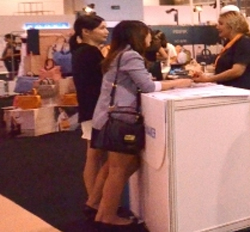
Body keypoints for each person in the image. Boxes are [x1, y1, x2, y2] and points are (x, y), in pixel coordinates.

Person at [91, 21, 192, 228]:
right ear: (137, 35)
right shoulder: (130, 56)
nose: (150, 38)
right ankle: (107, 216)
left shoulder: (118, 54)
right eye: (147, 34)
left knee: (117, 167)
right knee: (118, 170)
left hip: (109, 116)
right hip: (120, 119)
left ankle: (101, 211)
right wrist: (179, 83)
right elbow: (147, 86)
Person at [69, 13, 109, 220]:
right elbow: (98, 84)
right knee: (95, 156)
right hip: (95, 110)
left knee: (94, 155)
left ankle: (95, 201)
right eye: (101, 28)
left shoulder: (82, 51)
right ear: (86, 31)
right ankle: (95, 202)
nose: (106, 31)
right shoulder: (89, 52)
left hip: (90, 109)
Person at [192, 11, 250, 89]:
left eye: (221, 24)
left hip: (241, 91)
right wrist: (206, 76)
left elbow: (237, 71)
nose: (217, 27)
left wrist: (208, 79)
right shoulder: (229, 43)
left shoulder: (244, 42)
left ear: (232, 26)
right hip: (229, 89)